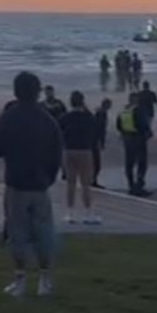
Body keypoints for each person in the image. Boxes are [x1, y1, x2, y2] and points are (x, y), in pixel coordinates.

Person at [0, 71, 64, 298]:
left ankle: (20, 279)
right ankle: (45, 280)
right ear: (37, 91)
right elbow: (57, 152)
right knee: (44, 232)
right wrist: (49, 176)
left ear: (16, 92)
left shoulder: (9, 117)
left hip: (17, 184)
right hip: (40, 184)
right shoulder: (47, 119)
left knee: (17, 234)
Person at [58, 91, 101, 225]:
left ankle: (70, 213)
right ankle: (88, 213)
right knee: (85, 183)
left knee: (70, 183)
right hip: (84, 150)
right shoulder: (88, 117)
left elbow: (59, 132)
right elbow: (95, 133)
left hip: (68, 150)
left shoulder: (65, 117)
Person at [117, 91, 152, 196]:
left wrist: (124, 133)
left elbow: (118, 125)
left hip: (127, 139)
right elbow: (143, 124)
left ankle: (131, 186)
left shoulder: (124, 111)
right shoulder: (138, 110)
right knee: (142, 163)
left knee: (129, 164)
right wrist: (148, 133)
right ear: (136, 100)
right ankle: (139, 186)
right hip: (138, 138)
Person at [91, 97, 111, 189]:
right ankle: (92, 181)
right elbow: (100, 129)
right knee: (96, 164)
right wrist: (101, 142)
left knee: (95, 163)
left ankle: (92, 180)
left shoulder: (99, 112)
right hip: (95, 140)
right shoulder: (102, 113)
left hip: (93, 139)